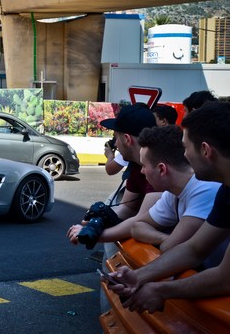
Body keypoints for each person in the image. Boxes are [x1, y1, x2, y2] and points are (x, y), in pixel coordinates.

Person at [107, 102, 230, 313]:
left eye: (185, 148)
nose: (183, 157)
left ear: (205, 150)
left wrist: (161, 290)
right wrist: (138, 276)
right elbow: (194, 248)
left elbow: (224, 278)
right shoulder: (227, 191)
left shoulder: (210, 189)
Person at [67, 103, 160, 247]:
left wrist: (95, 234)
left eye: (117, 137)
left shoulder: (157, 168)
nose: (115, 143)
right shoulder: (137, 165)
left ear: (128, 139)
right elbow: (128, 208)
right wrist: (96, 222)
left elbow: (142, 220)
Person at [131, 125, 218, 253]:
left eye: (144, 165)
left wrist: (167, 241)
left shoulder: (205, 189)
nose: (142, 171)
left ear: (162, 169)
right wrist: (165, 238)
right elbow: (137, 227)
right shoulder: (173, 193)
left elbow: (170, 247)